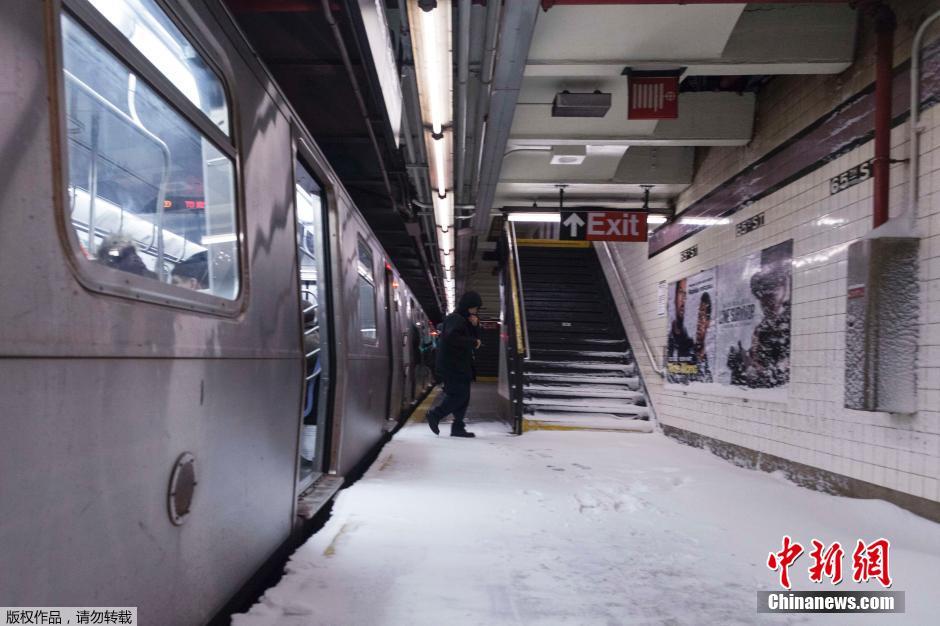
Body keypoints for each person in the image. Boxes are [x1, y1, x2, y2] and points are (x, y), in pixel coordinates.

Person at [425, 291, 483, 438]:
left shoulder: (464, 320)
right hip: (452, 365)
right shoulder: (455, 319)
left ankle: (458, 427)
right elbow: (452, 338)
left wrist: (475, 326)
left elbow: (470, 337)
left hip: (460, 365)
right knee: (458, 395)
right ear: (468, 306)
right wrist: (473, 342)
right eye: (475, 308)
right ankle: (435, 415)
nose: (476, 311)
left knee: (464, 396)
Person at [666, 279, 695, 382]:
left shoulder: (691, 345)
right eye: (681, 293)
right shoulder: (667, 339)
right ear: (674, 297)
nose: (684, 300)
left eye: (687, 295)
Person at [693, 292, 713, 383]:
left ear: (708, 323)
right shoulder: (689, 353)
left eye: (701, 317)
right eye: (698, 317)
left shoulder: (709, 365)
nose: (698, 323)